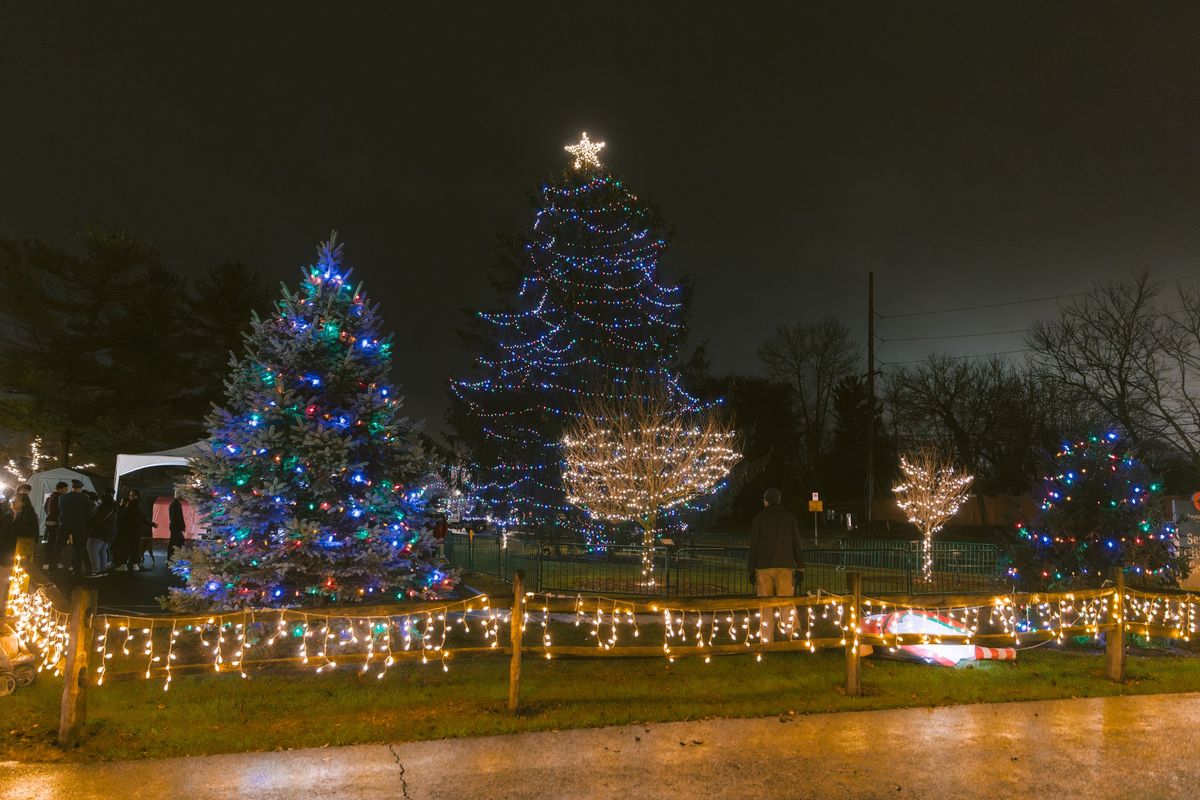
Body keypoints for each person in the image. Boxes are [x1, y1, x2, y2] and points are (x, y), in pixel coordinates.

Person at [748, 488, 805, 643]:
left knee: (765, 604)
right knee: (786, 602)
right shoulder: (789, 519)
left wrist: (751, 569)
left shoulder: (759, 519)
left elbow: (754, 546)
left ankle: (766, 639)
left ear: (766, 501)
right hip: (784, 566)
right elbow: (796, 544)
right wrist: (800, 567)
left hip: (764, 566)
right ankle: (793, 633)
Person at [57, 479, 95, 574]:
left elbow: (61, 509)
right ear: (81, 488)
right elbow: (89, 513)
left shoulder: (63, 498)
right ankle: (77, 569)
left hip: (64, 524)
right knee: (78, 548)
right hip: (80, 526)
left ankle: (53, 566)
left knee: (58, 545)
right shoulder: (85, 500)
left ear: (72, 487)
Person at [114, 489, 156, 571]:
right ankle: (135, 565)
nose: (130, 496)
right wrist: (152, 524)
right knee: (134, 548)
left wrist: (122, 506)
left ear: (136, 495)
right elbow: (143, 518)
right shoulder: (140, 506)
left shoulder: (130, 505)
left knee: (125, 548)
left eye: (131, 494)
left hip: (127, 530)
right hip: (136, 531)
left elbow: (123, 517)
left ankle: (124, 565)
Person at [85, 492, 118, 577]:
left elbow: (96, 519)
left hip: (99, 532)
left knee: (92, 550)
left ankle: (96, 570)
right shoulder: (113, 508)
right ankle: (103, 570)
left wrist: (90, 521)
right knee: (102, 551)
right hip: (108, 534)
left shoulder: (104, 508)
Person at [5, 493, 39, 566]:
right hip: (6, 550)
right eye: (12, 500)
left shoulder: (30, 517)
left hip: (22, 549)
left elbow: (34, 534)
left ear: (24, 503)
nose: (13, 502)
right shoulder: (7, 517)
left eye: (17, 500)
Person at [42, 481, 68, 570]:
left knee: (51, 542)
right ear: (60, 489)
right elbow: (59, 510)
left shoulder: (51, 496)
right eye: (65, 489)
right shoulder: (59, 497)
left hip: (50, 521)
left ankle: (48, 562)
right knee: (56, 543)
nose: (66, 491)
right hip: (56, 523)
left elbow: (46, 508)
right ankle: (52, 562)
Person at [167, 491, 186, 562]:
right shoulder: (176, 504)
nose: (183, 497)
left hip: (176, 526)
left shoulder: (174, 504)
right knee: (174, 543)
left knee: (179, 542)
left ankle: (175, 557)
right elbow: (178, 517)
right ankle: (171, 558)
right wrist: (182, 525)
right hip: (176, 527)